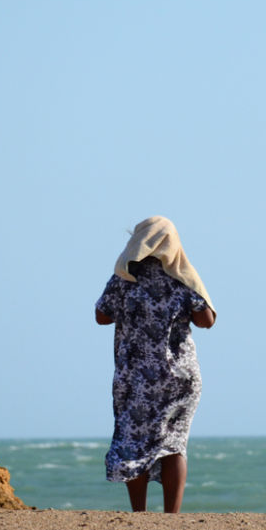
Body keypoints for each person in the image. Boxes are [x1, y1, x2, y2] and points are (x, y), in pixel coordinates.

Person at [94, 216, 216, 513]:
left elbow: (101, 316)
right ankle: (171, 516)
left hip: (135, 376)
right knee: (173, 443)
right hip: (179, 377)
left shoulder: (124, 277)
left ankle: (140, 513)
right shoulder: (181, 276)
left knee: (132, 441)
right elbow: (206, 321)